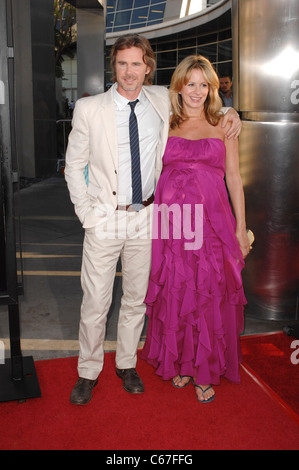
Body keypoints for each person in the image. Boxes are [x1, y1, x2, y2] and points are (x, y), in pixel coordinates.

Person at [64, 34, 242, 405]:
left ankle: (127, 365)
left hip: (150, 218)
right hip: (105, 218)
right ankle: (88, 371)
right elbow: (74, 165)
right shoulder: (90, 108)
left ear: (148, 68)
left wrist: (230, 112)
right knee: (95, 301)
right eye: (122, 64)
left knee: (136, 299)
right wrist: (86, 215)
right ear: (114, 66)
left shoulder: (162, 100)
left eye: (136, 64)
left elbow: (199, 96)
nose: (129, 72)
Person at [140, 55, 249, 403]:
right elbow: (134, 87)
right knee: (177, 292)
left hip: (213, 226)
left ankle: (204, 369)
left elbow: (233, 177)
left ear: (213, 88)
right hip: (173, 228)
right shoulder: (164, 122)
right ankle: (183, 363)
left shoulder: (223, 124)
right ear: (179, 86)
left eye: (205, 84)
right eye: (191, 83)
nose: (198, 91)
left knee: (209, 293)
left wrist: (241, 228)